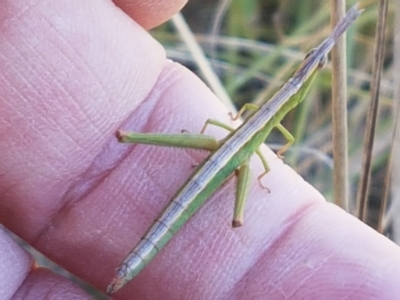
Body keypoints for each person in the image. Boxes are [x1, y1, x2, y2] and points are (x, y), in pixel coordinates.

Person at [1, 0, 400, 299]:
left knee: (227, 155)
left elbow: (247, 112)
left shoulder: (274, 99)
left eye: (316, 61)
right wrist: (265, 165)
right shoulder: (286, 116)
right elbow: (286, 137)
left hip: (227, 147)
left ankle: (129, 267)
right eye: (313, 60)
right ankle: (127, 267)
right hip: (235, 153)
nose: (311, 64)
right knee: (237, 196)